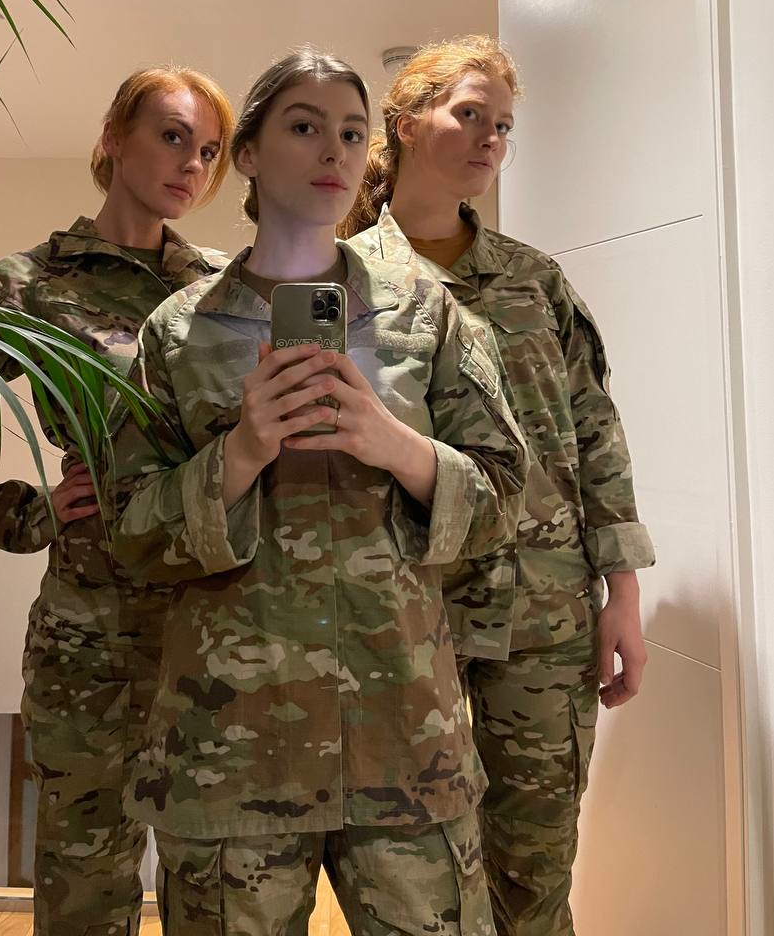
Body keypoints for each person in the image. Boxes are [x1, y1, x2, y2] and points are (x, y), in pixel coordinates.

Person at [102, 47, 525, 936]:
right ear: (249, 155)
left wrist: (395, 446)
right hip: (231, 756)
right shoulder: (176, 332)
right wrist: (242, 450)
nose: (335, 150)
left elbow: (502, 502)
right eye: (304, 127)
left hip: (406, 740)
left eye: (352, 133)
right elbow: (132, 535)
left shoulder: (427, 312)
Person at [0, 66, 236, 935]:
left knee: (219, 888)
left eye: (211, 151)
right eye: (173, 136)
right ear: (112, 139)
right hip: (94, 636)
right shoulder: (26, 285)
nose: (193, 165)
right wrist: (20, 513)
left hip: (221, 628)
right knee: (85, 886)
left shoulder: (226, 287)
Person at [343, 36, 656, 936]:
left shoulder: (533, 280)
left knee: (536, 873)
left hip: (545, 617)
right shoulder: (344, 279)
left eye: (504, 126)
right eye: (470, 114)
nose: (490, 139)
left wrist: (623, 593)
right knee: (419, 886)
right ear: (407, 123)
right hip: (408, 617)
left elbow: (594, 434)